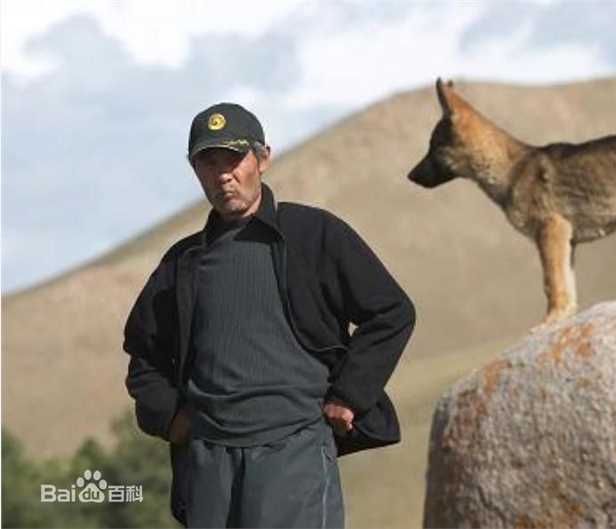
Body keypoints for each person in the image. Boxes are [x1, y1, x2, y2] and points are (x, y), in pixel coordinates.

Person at [123, 102, 415, 528]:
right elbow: (143, 355)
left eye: (234, 159)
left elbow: (391, 312)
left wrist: (350, 395)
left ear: (262, 158)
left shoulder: (314, 234)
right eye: (209, 162)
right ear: (195, 169)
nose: (224, 174)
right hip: (210, 465)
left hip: (295, 451)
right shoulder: (182, 263)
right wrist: (170, 418)